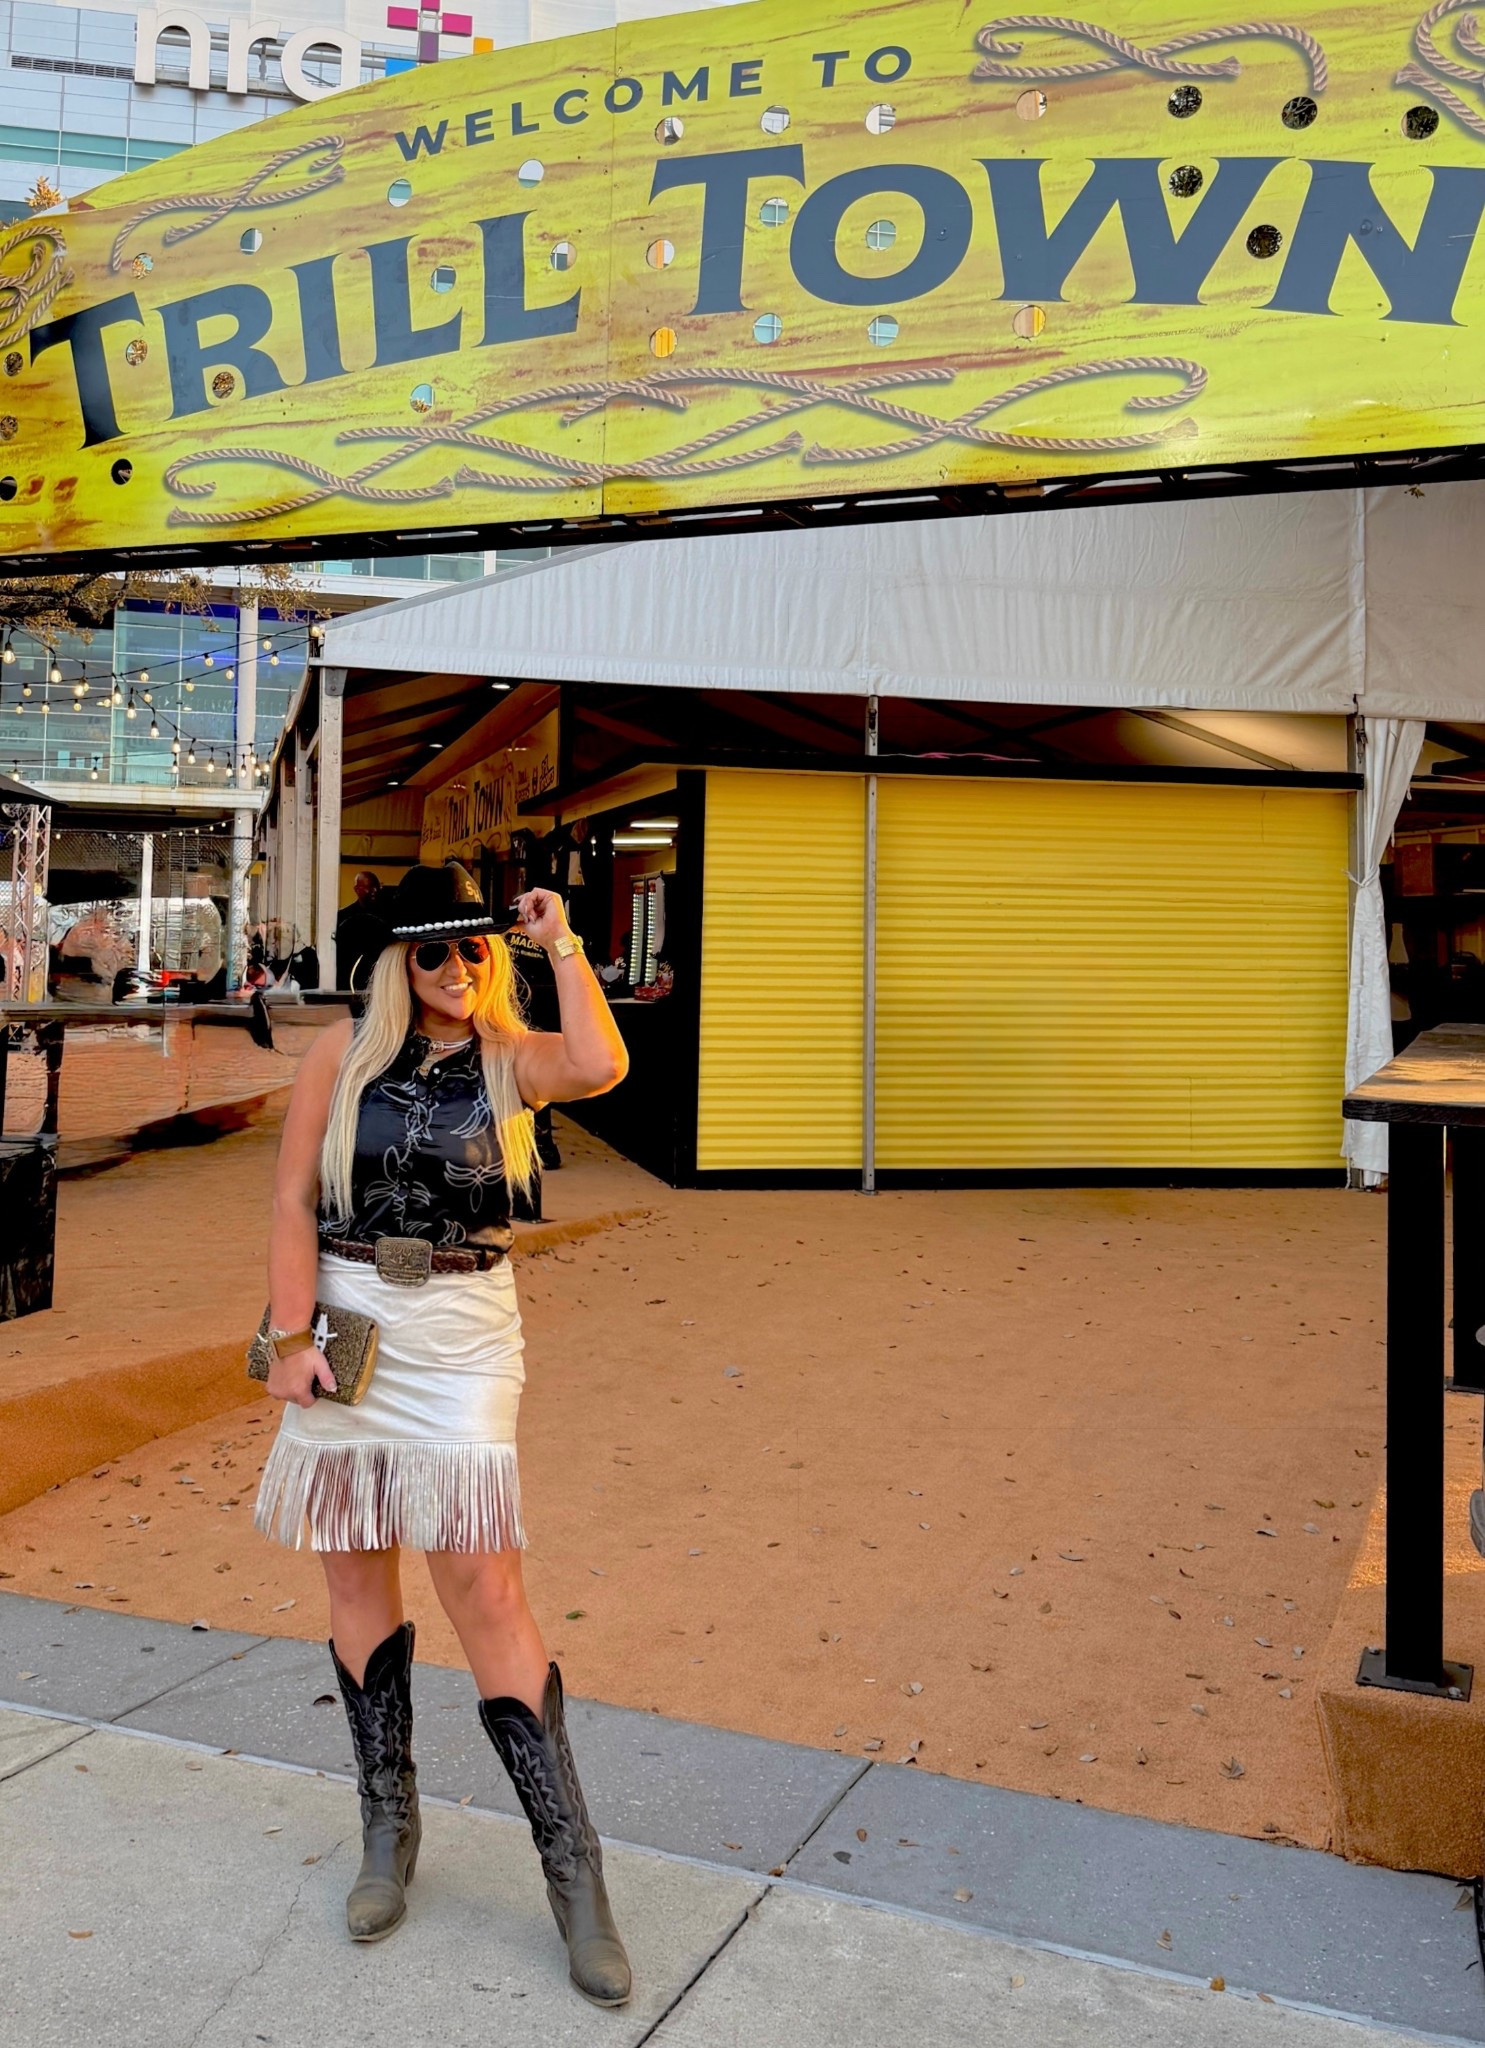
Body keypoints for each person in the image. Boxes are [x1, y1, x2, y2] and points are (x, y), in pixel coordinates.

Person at [253, 860, 632, 2005]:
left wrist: (561, 941)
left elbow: (602, 1063)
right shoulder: (341, 1052)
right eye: (434, 950)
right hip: (350, 1316)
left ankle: (574, 1873)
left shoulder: (513, 1056)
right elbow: (291, 1198)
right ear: (396, 961)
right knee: (355, 1571)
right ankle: (388, 1827)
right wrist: (287, 1334)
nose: (458, 966)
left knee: (483, 1580)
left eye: (475, 947)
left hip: (464, 1330)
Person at [334, 871, 389, 991]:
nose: (374, 891)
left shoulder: (388, 916)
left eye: (377, 886)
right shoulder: (343, 917)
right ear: (357, 890)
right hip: (350, 980)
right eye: (369, 887)